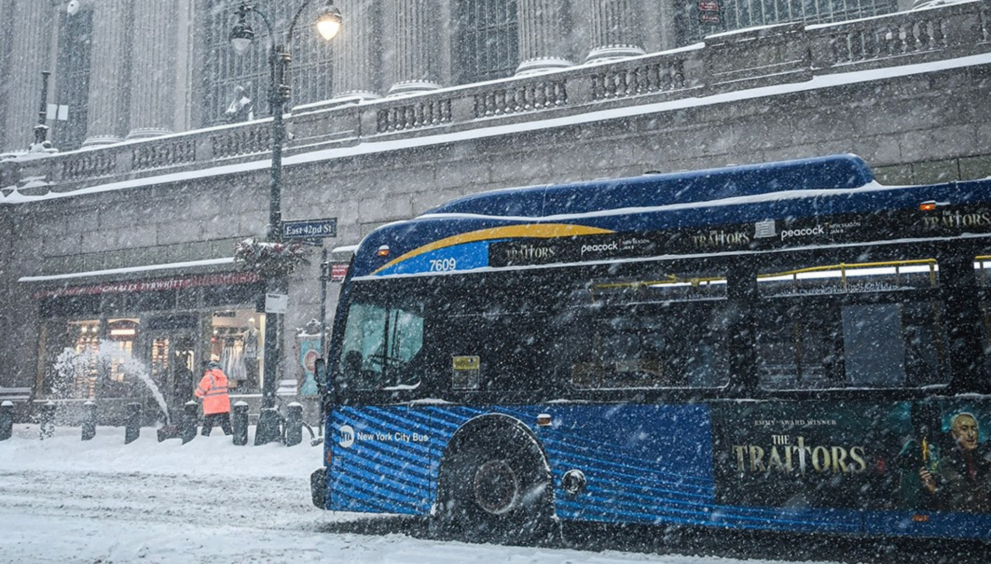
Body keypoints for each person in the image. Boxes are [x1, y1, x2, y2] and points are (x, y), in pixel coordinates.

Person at [920, 412, 991, 513]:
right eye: (964, 429)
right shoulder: (943, 465)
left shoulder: (987, 461)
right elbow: (944, 503)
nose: (971, 434)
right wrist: (933, 489)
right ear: (954, 434)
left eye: (974, 428)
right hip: (959, 521)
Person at [195, 360, 232, 436]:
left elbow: (200, 391)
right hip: (223, 406)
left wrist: (196, 396)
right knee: (226, 427)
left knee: (207, 427)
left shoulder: (208, 377)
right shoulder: (224, 377)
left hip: (211, 406)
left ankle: (203, 441)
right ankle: (231, 439)